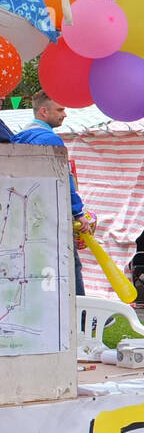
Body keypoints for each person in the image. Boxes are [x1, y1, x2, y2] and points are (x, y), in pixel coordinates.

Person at [13, 92, 95, 296]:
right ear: (43, 111)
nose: (65, 114)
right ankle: (81, 315)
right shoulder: (50, 139)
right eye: (60, 109)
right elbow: (63, 180)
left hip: (27, 215)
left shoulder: (19, 138)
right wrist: (78, 212)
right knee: (71, 266)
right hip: (53, 214)